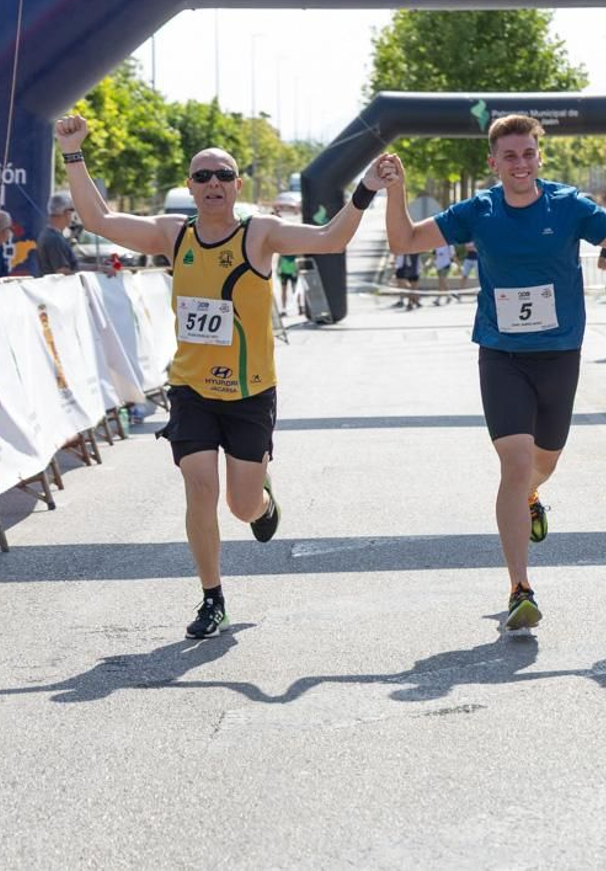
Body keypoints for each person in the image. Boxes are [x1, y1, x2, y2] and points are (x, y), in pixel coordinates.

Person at [55, 113, 388, 640]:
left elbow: (329, 239)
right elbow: (99, 219)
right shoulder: (173, 233)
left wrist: (366, 188)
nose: (213, 183)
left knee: (241, 505)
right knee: (199, 488)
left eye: (223, 175)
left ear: (238, 186)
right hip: (191, 389)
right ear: (190, 186)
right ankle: (213, 598)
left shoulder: (261, 235)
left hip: (250, 393)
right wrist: (72, 152)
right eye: (202, 175)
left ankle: (263, 498)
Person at [380, 115, 606, 631]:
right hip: (501, 355)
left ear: (539, 157)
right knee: (515, 462)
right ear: (493, 162)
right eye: (509, 156)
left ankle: (530, 497)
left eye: (527, 154)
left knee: (543, 462)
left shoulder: (567, 206)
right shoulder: (479, 210)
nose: (519, 164)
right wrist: (398, 191)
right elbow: (404, 240)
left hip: (558, 354)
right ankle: (520, 586)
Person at [31, 193, 80, 277]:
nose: (72, 214)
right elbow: (63, 272)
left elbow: (73, 266)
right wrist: (87, 275)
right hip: (55, 289)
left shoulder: (51, 234)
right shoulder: (53, 239)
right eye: (72, 210)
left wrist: (96, 268)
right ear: (65, 212)